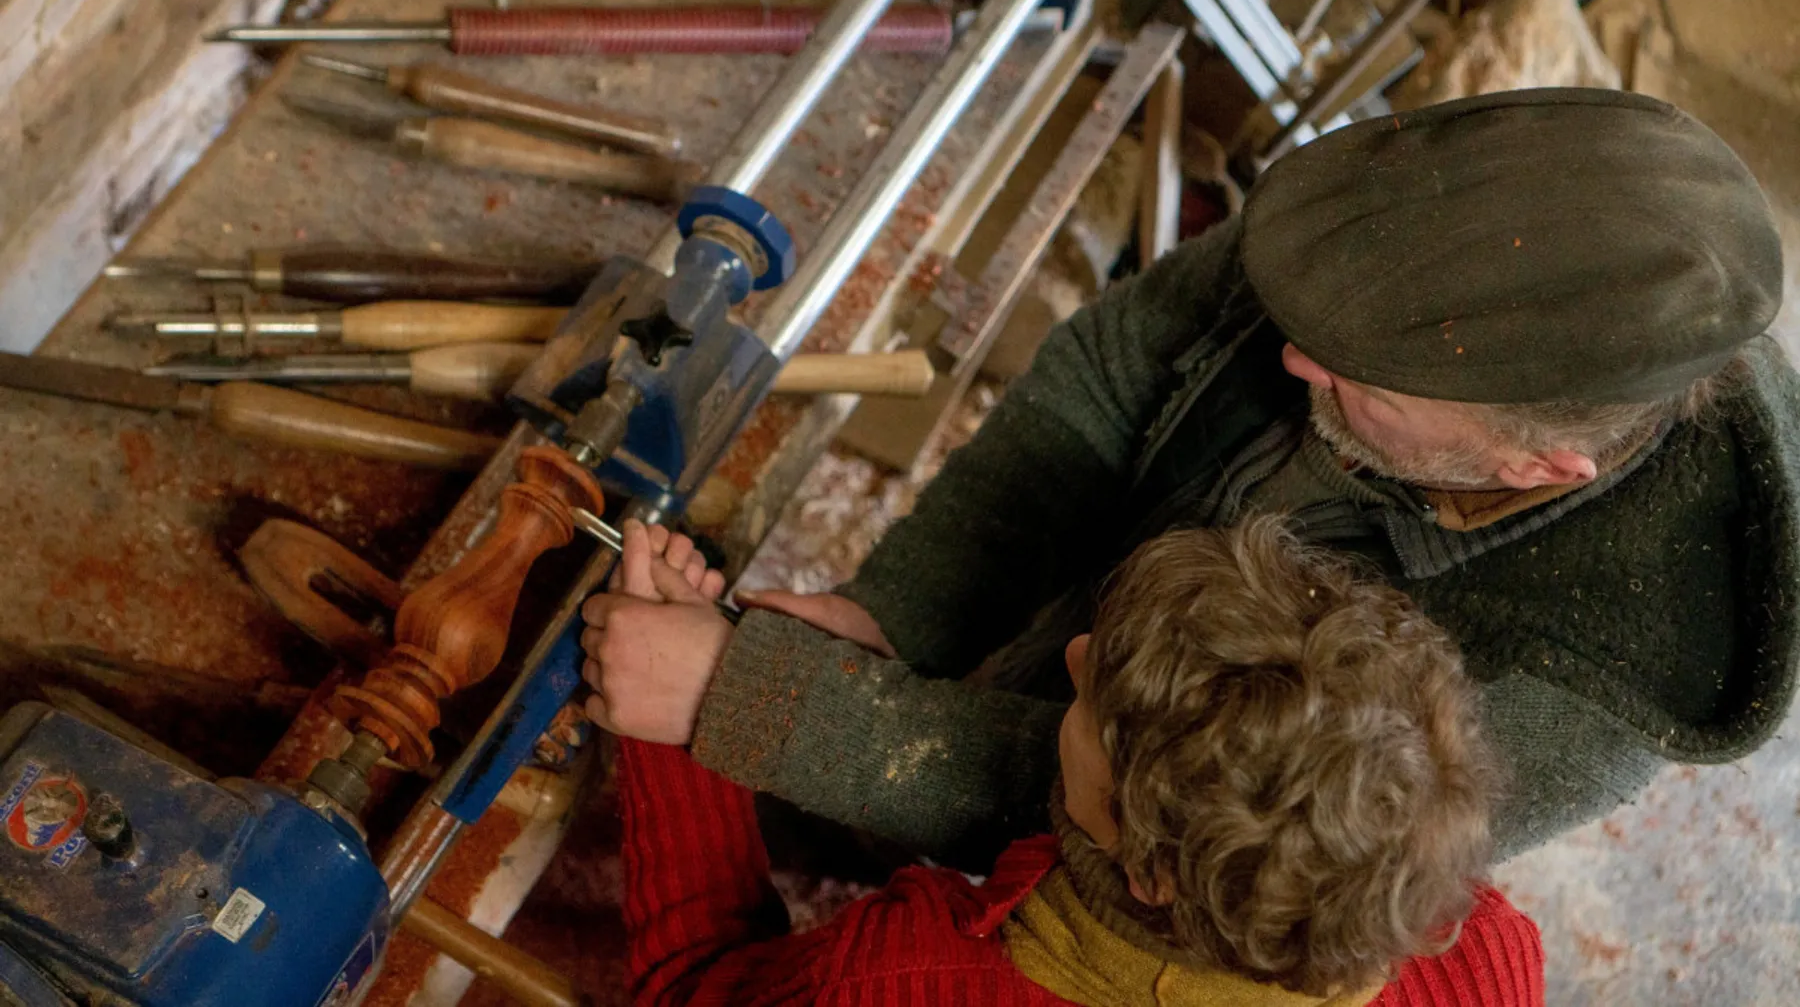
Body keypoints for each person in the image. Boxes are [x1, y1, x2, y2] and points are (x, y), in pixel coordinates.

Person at [582, 87, 1799, 867]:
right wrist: (898, 613)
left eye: (1358, 383)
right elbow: (1107, 376)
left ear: (1537, 465)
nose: (1291, 355)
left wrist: (779, 711)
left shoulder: (1596, 682)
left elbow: (1182, 820)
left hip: (1154, 831)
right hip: (1089, 651)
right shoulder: (1401, 248)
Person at [603, 519, 1545, 1006]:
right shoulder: (1485, 951)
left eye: (1098, 711)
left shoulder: (900, 979)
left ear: (1151, 873)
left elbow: (698, 985)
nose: (1076, 654)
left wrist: (686, 729)